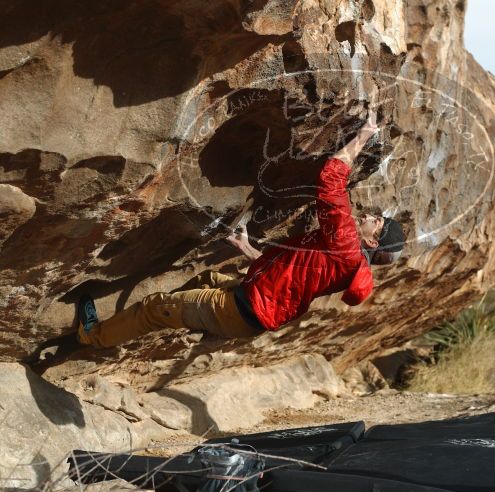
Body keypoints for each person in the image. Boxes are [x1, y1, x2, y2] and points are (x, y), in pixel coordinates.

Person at [76, 107, 405, 348]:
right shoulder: (345, 261)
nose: (371, 216)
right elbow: (291, 276)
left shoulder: (346, 245)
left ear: (373, 242)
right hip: (252, 309)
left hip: (237, 310)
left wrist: (363, 135)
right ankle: (182, 313)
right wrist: (248, 248)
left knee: (152, 309)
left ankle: (93, 335)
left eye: (378, 222)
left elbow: (330, 180)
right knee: (208, 279)